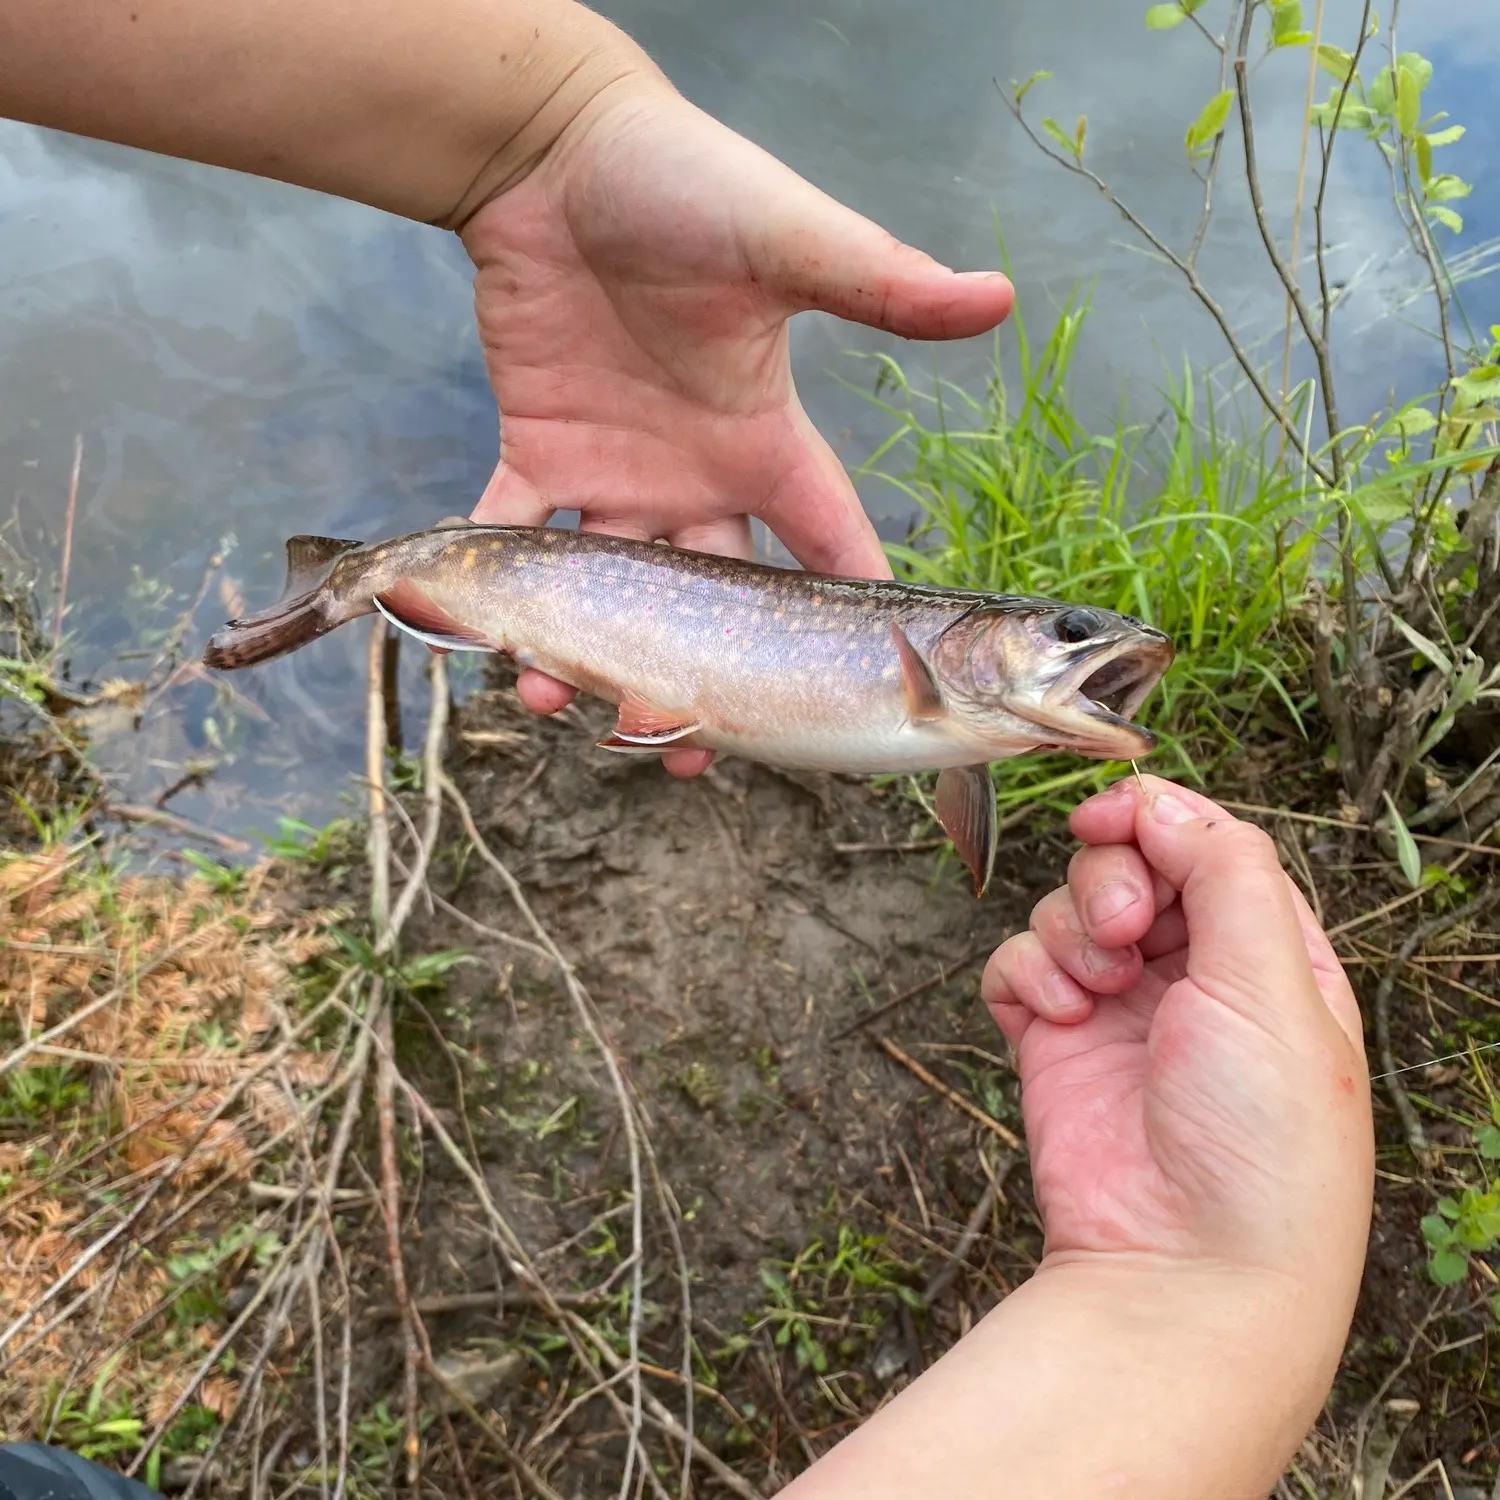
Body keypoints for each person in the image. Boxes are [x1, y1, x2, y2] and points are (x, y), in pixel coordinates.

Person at [0, 5, 1375, 1497]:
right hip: (526, 573)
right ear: (967, 633)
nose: (1085, 662)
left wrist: (555, 131)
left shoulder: (952, 735)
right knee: (462, 599)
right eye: (1052, 635)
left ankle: (365, 572)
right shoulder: (922, 687)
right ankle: (352, 572)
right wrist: (1221, 1287)